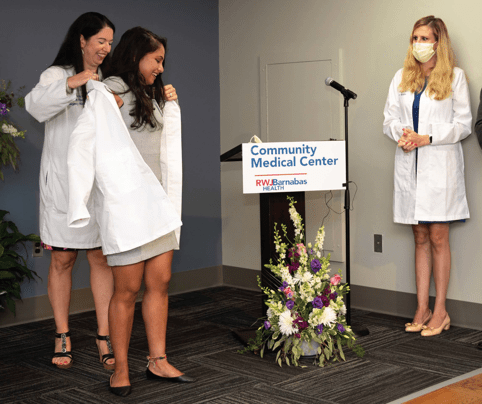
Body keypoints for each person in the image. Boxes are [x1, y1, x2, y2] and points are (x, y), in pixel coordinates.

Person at [101, 27, 194, 396]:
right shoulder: (109, 90)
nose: (160, 67)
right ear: (137, 54)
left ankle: (157, 360)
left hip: (158, 205)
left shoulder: (151, 93)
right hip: (127, 207)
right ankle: (119, 369)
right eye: (156, 60)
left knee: (160, 283)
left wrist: (167, 101)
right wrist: (105, 103)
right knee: (126, 289)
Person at [25, 12, 116, 370]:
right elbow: (34, 106)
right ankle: (62, 334)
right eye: (100, 41)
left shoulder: (109, 79)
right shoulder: (56, 75)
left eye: (110, 42)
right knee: (63, 259)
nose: (106, 49)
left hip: (98, 187)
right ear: (82, 39)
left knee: (100, 258)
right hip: (62, 187)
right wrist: (72, 83)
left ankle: (104, 334)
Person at [383, 16, 471, 337]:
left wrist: (427, 137)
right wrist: (402, 133)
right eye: (415, 37)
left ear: (438, 42)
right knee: (418, 236)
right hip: (410, 165)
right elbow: (389, 117)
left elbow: (463, 124)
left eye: (425, 38)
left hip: (440, 167)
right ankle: (422, 307)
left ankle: (442, 309)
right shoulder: (402, 77)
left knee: (437, 237)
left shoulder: (455, 78)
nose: (418, 44)